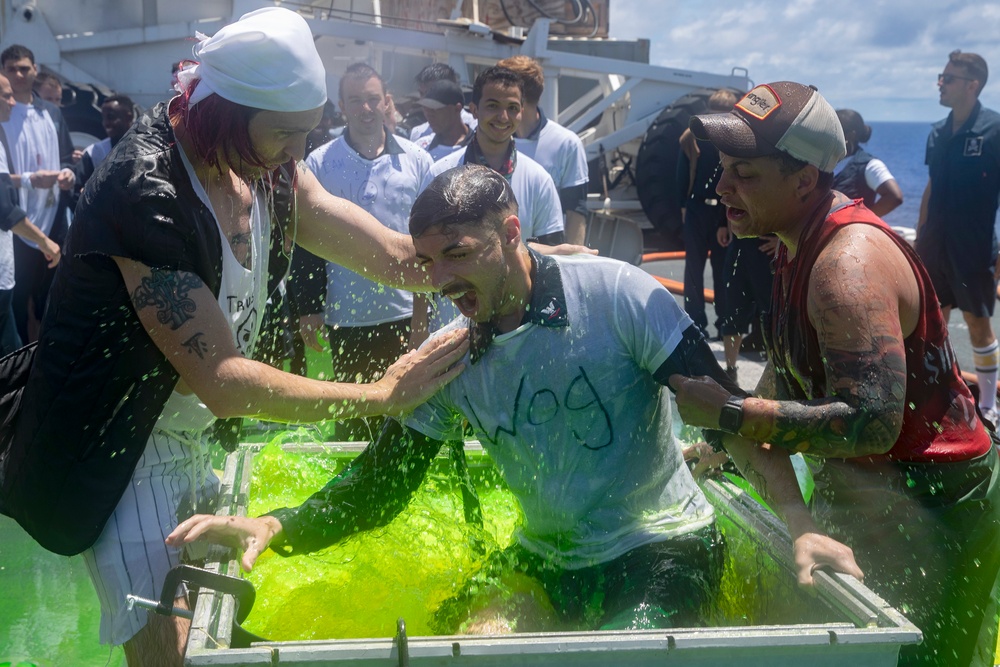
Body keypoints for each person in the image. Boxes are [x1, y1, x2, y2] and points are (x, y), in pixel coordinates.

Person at [167, 164, 860, 635]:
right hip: (547, 556)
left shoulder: (620, 296)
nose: (439, 278)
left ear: (511, 232)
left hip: (663, 546)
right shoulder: (452, 355)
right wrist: (278, 525)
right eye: (428, 260)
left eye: (458, 254)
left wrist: (798, 522)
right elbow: (383, 484)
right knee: (464, 640)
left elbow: (730, 416)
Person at [0, 9, 468, 666]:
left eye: (308, 132)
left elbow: (393, 254)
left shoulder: (267, 161)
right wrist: (380, 394)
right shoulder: (146, 189)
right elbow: (223, 379)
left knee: (214, 625)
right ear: (225, 114)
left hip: (194, 431)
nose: (300, 152)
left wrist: (512, 260)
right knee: (171, 651)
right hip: (120, 445)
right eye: (286, 133)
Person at [672, 80, 1000, 667]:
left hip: (935, 499)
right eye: (723, 170)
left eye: (744, 173)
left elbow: (870, 424)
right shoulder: (792, 239)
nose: (721, 188)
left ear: (804, 180)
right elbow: (794, 363)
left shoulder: (845, 269)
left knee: (923, 659)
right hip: (877, 487)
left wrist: (731, 415)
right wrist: (729, 443)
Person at [292, 62, 435, 440]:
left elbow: (431, 244)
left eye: (373, 99)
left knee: (408, 417)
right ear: (341, 106)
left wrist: (422, 319)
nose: (366, 109)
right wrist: (309, 308)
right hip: (346, 314)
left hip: (404, 312)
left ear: (387, 101)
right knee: (353, 416)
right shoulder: (320, 162)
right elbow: (305, 243)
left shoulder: (417, 161)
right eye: (356, 100)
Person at [916, 50, 1000, 425]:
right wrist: (919, 240)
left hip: (974, 246)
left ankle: (987, 405)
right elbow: (931, 188)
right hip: (935, 246)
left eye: (948, 78)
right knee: (934, 325)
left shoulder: (994, 130)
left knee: (979, 324)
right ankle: (942, 396)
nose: (940, 83)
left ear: (972, 84)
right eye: (940, 76)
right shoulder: (937, 132)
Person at [1, 44, 75, 345]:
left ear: (35, 69)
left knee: (52, 296)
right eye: (11, 69)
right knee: (18, 302)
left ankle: (46, 350)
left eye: (24, 67)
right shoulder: (3, 119)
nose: (19, 74)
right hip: (18, 223)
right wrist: (32, 181)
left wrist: (69, 172)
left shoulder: (52, 113)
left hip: (53, 216)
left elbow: (68, 155)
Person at [498, 56, 590, 245]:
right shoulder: (491, 140)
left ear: (518, 96)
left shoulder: (567, 143)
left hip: (545, 254)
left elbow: (576, 212)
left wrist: (571, 264)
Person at [676, 89, 736, 340]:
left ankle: (698, 323)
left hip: (699, 208)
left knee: (697, 268)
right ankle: (719, 323)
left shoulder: (696, 135)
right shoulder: (727, 138)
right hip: (712, 209)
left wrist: (683, 207)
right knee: (718, 269)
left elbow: (680, 175)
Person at [832, 109, 903, 218]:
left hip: (851, 233)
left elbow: (894, 197)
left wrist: (861, 220)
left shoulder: (869, 165)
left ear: (851, 135)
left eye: (833, 131)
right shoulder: (825, 161)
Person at [72, 94, 136, 201]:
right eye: (104, 118)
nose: (106, 123)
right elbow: (75, 190)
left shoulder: (147, 147)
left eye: (111, 117)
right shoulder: (95, 152)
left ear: (128, 117)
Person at [408, 62, 475, 143]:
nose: (425, 100)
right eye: (422, 94)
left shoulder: (476, 127)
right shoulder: (417, 134)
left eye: (431, 93)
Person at [413, 79, 473, 160]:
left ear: (457, 108)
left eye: (435, 109)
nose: (429, 115)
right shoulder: (420, 148)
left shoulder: (480, 147)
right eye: (426, 109)